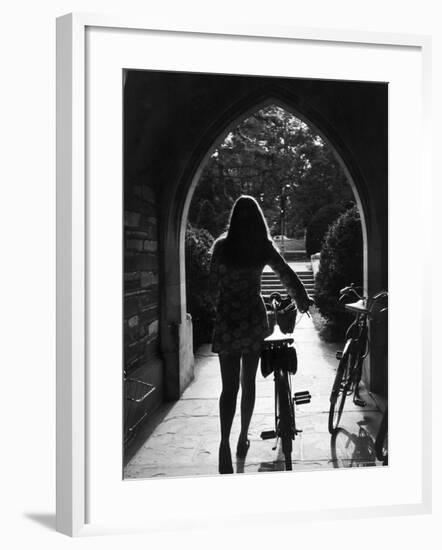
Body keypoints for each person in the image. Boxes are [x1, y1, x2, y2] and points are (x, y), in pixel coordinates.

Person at [208, 195, 311, 474]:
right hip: (252, 320)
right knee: (249, 383)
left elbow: (211, 283)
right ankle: (243, 437)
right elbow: (286, 274)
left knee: (229, 388)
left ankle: (223, 444)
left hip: (228, 320)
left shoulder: (221, 246)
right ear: (257, 219)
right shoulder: (262, 246)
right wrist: (301, 299)